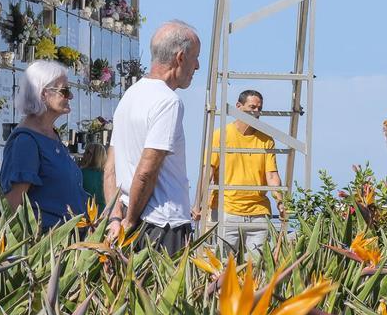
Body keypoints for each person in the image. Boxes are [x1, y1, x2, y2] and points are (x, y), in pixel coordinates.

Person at [105, 20, 201, 255]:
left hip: (128, 219)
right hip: (163, 225)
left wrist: (116, 218)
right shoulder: (168, 101)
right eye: (195, 57)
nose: (197, 66)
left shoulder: (130, 95)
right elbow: (147, 170)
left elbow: (110, 169)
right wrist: (130, 220)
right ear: (180, 58)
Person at [0, 60, 87, 228]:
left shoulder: (51, 136)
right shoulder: (26, 142)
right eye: (65, 91)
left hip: (68, 243)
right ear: (44, 94)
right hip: (46, 246)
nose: (71, 96)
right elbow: (13, 205)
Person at [193, 89, 282, 252]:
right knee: (222, 270)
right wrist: (197, 203)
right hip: (226, 210)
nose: (256, 112)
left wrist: (281, 202)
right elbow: (208, 173)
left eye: (259, 108)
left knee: (256, 271)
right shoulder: (220, 135)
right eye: (252, 107)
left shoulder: (266, 139)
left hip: (258, 212)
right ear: (238, 107)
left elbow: (272, 175)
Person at [78, 143, 107, 213]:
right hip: (105, 215)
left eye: (87, 152)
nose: (84, 154)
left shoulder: (80, 173)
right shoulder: (108, 175)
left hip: (84, 214)